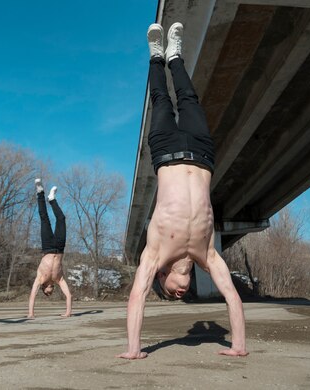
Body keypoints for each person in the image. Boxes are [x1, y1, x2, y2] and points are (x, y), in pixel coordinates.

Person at [116, 23, 248, 359]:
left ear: (161, 276)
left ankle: (156, 57)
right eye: (177, 296)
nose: (179, 294)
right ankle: (175, 55)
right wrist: (238, 345)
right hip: (202, 153)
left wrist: (134, 349)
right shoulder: (209, 256)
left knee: (161, 99)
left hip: (165, 151)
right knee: (189, 98)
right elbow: (233, 296)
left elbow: (136, 296)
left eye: (170, 292)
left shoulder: (155, 254)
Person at [27, 179, 72, 318]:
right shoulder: (59, 279)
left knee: (44, 218)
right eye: (51, 292)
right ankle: (52, 199)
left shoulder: (39, 279)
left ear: (44, 288)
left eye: (48, 292)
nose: (50, 291)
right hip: (59, 247)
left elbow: (32, 296)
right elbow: (69, 295)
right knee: (62, 219)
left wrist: (31, 314)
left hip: (47, 247)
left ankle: (40, 192)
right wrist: (68, 312)